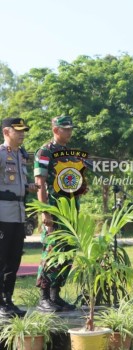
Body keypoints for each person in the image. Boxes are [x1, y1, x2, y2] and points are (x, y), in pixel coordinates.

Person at [34, 115, 86, 312]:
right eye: (66, 129)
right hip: (55, 210)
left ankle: (56, 296)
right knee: (52, 251)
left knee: (67, 253)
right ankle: (44, 297)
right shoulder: (45, 151)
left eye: (71, 128)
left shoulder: (69, 153)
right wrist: (45, 212)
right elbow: (40, 184)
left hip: (71, 211)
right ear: (56, 130)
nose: (70, 132)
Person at [0, 118, 38, 317]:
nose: (23, 134)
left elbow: (17, 184)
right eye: (19, 131)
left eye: (24, 131)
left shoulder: (21, 155)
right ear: (7, 132)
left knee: (13, 261)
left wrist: (28, 187)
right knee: (1, 260)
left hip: (18, 214)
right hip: (2, 215)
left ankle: (8, 301)